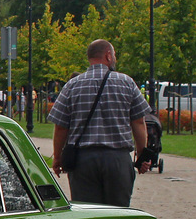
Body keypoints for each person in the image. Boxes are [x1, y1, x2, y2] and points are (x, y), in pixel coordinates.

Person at [48, 39, 151, 207]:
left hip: (83, 162)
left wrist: (58, 157)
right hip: (117, 159)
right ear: (108, 55)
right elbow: (139, 122)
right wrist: (141, 156)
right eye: (114, 55)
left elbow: (61, 126)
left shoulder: (72, 85)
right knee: (119, 212)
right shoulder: (127, 82)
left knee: (88, 215)